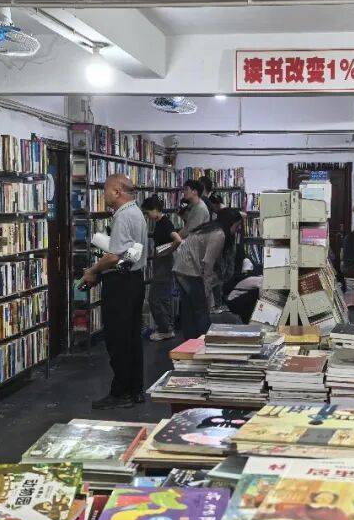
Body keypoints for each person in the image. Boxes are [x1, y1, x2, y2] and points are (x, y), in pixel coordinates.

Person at [79, 173, 148, 409]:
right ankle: (135, 390)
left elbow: (113, 256)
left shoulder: (123, 216)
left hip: (121, 284)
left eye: (106, 190)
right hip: (135, 280)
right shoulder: (136, 212)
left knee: (118, 339)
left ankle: (121, 393)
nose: (104, 195)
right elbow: (131, 252)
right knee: (132, 338)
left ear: (117, 191)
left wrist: (92, 270)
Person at [173, 207, 244, 339]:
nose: (237, 229)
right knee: (201, 309)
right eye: (237, 225)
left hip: (180, 268)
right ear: (230, 222)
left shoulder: (210, 229)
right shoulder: (219, 234)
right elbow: (208, 263)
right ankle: (205, 340)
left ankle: (190, 342)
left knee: (188, 310)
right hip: (191, 271)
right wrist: (206, 288)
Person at [142, 195, 181, 342]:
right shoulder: (161, 222)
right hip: (162, 263)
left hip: (164, 264)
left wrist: (168, 250)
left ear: (155, 209)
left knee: (154, 298)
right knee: (163, 297)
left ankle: (165, 329)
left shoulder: (165, 223)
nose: (147, 216)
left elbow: (178, 239)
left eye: (148, 213)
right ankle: (167, 328)